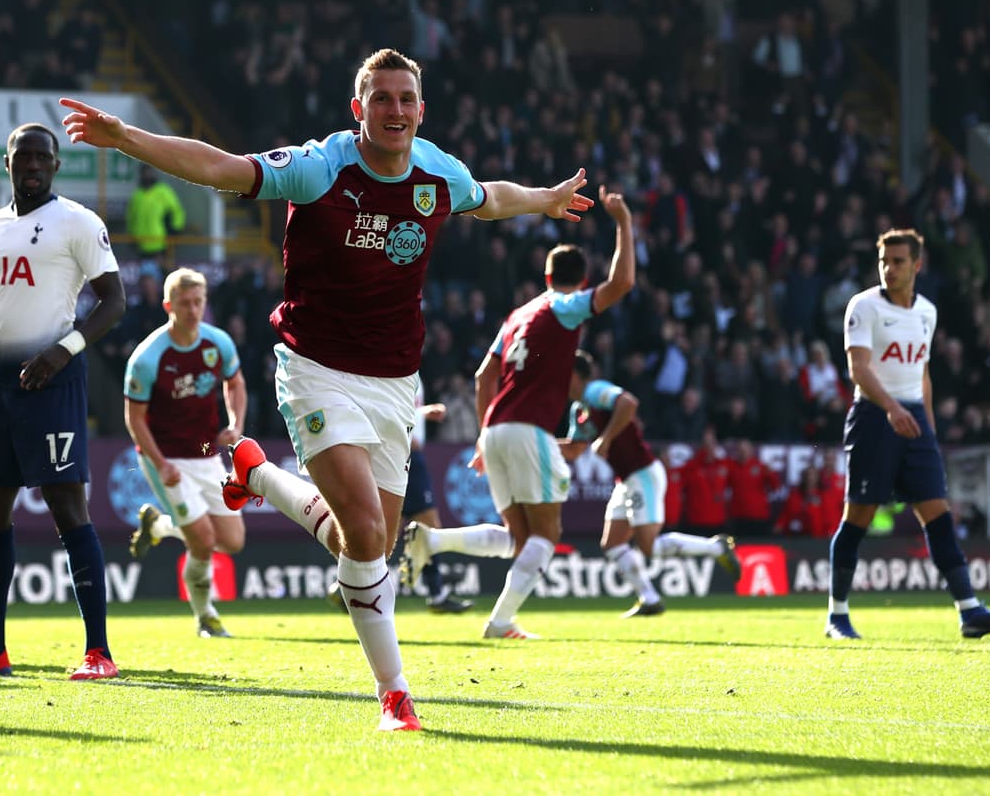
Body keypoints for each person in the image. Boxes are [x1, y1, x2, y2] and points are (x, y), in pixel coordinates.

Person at [60, 48, 594, 730]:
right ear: (358, 108)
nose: (395, 110)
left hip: (395, 380)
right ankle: (394, 695)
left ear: (421, 110)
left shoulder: (438, 173)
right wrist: (126, 137)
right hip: (316, 368)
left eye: (406, 99)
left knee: (368, 544)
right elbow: (223, 168)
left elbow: (491, 199)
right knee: (367, 533)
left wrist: (545, 199)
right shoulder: (320, 166)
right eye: (382, 98)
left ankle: (258, 475)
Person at [0, 123, 127, 678]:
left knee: (67, 507)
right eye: (23, 157)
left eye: (42, 156)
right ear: (8, 164)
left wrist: (64, 350)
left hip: (53, 383)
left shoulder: (78, 222)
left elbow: (114, 301)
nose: (33, 164)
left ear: (56, 165)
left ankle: (99, 653)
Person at [403, 195, 636, 640]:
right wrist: (624, 222)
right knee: (547, 534)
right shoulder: (563, 306)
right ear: (580, 281)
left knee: (518, 538)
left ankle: (433, 540)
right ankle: (500, 621)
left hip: (496, 429)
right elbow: (622, 283)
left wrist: (483, 435)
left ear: (546, 276)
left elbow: (483, 376)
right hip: (529, 429)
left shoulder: (516, 316)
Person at [826, 228, 990, 640]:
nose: (889, 269)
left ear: (917, 265)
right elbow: (858, 369)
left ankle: (969, 610)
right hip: (874, 417)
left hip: (913, 417)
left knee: (938, 515)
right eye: (884, 261)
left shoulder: (927, 313)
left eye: (898, 261)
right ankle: (837, 615)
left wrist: (927, 428)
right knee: (858, 517)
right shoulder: (864, 306)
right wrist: (892, 408)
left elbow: (923, 373)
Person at [561, 350, 741, 619]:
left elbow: (628, 403)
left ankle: (717, 548)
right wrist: (537, 443)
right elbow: (574, 449)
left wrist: (606, 439)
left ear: (575, 375)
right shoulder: (579, 409)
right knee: (612, 544)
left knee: (649, 548)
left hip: (642, 473)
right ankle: (650, 598)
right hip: (626, 480)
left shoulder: (595, 390)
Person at [124, 266, 247, 638]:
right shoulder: (148, 357)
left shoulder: (218, 343)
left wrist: (235, 424)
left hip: (206, 452)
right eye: (185, 303)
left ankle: (159, 526)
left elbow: (236, 384)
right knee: (203, 541)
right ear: (168, 305)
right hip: (166, 459)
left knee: (233, 541)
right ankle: (205, 616)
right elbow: (134, 418)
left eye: (198, 302)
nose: (193, 310)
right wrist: (160, 464)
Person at [327, 377, 473, 614]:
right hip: (400, 454)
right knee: (419, 526)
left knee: (397, 527)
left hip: (405, 454)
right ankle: (434, 593)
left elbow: (396, 406)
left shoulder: (412, 372)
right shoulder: (393, 369)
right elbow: (381, 405)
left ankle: (348, 586)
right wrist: (416, 421)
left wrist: (421, 413)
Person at [126, 164, 185, 260]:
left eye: (149, 172)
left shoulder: (163, 191)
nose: (147, 176)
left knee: (162, 267)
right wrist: (131, 235)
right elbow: (131, 218)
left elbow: (176, 211)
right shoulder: (137, 195)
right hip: (141, 243)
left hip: (160, 243)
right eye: (144, 173)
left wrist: (175, 230)